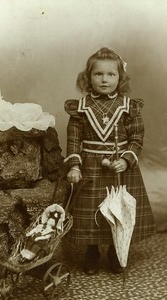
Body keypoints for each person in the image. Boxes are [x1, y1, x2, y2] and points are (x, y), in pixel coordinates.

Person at [64, 47, 155, 275]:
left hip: (120, 169)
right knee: (92, 211)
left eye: (111, 74)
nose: (104, 79)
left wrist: (126, 160)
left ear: (120, 78)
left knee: (118, 211)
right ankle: (92, 251)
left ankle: (116, 251)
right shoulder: (81, 109)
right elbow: (73, 140)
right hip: (90, 168)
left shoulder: (129, 107)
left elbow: (136, 138)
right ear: (88, 77)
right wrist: (74, 166)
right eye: (98, 74)